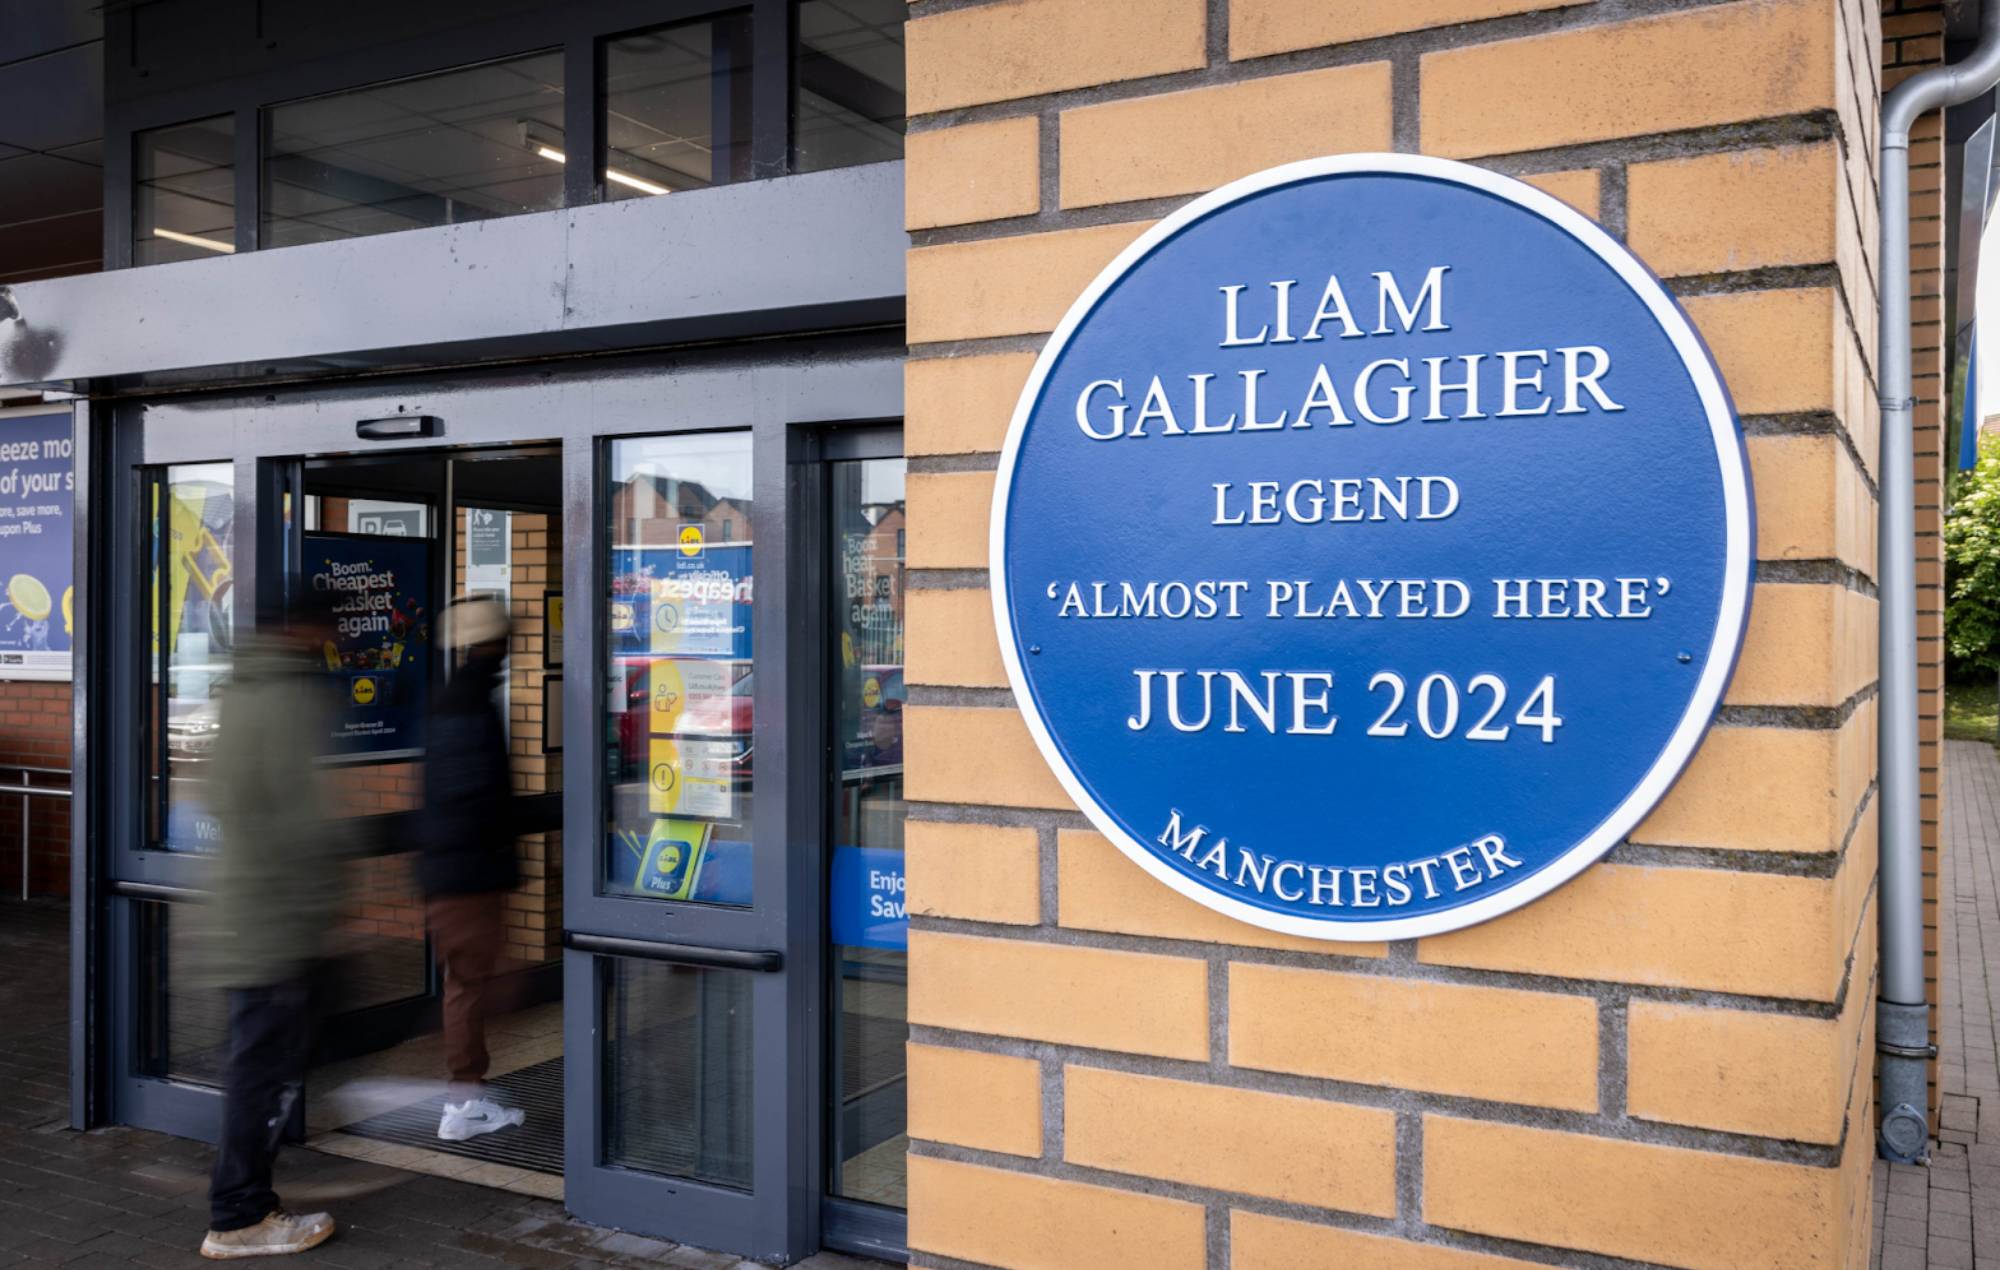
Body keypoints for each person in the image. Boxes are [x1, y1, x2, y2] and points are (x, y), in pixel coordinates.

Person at [198, 592, 346, 1259]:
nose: (329, 642)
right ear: (302, 629)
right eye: (324, 630)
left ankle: (244, 1204)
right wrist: (315, 912)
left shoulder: (242, 690)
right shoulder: (282, 699)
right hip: (272, 922)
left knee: (257, 1066)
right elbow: (295, 825)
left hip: (249, 915)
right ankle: (239, 1217)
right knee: (259, 1071)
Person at [418, 595, 527, 1142]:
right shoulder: (468, 705)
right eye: (504, 637)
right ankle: (462, 1101)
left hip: (454, 871)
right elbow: (470, 798)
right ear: (489, 643)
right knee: (468, 985)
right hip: (465, 876)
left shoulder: (462, 697)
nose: (510, 646)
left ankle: (467, 1095)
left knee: (470, 984)